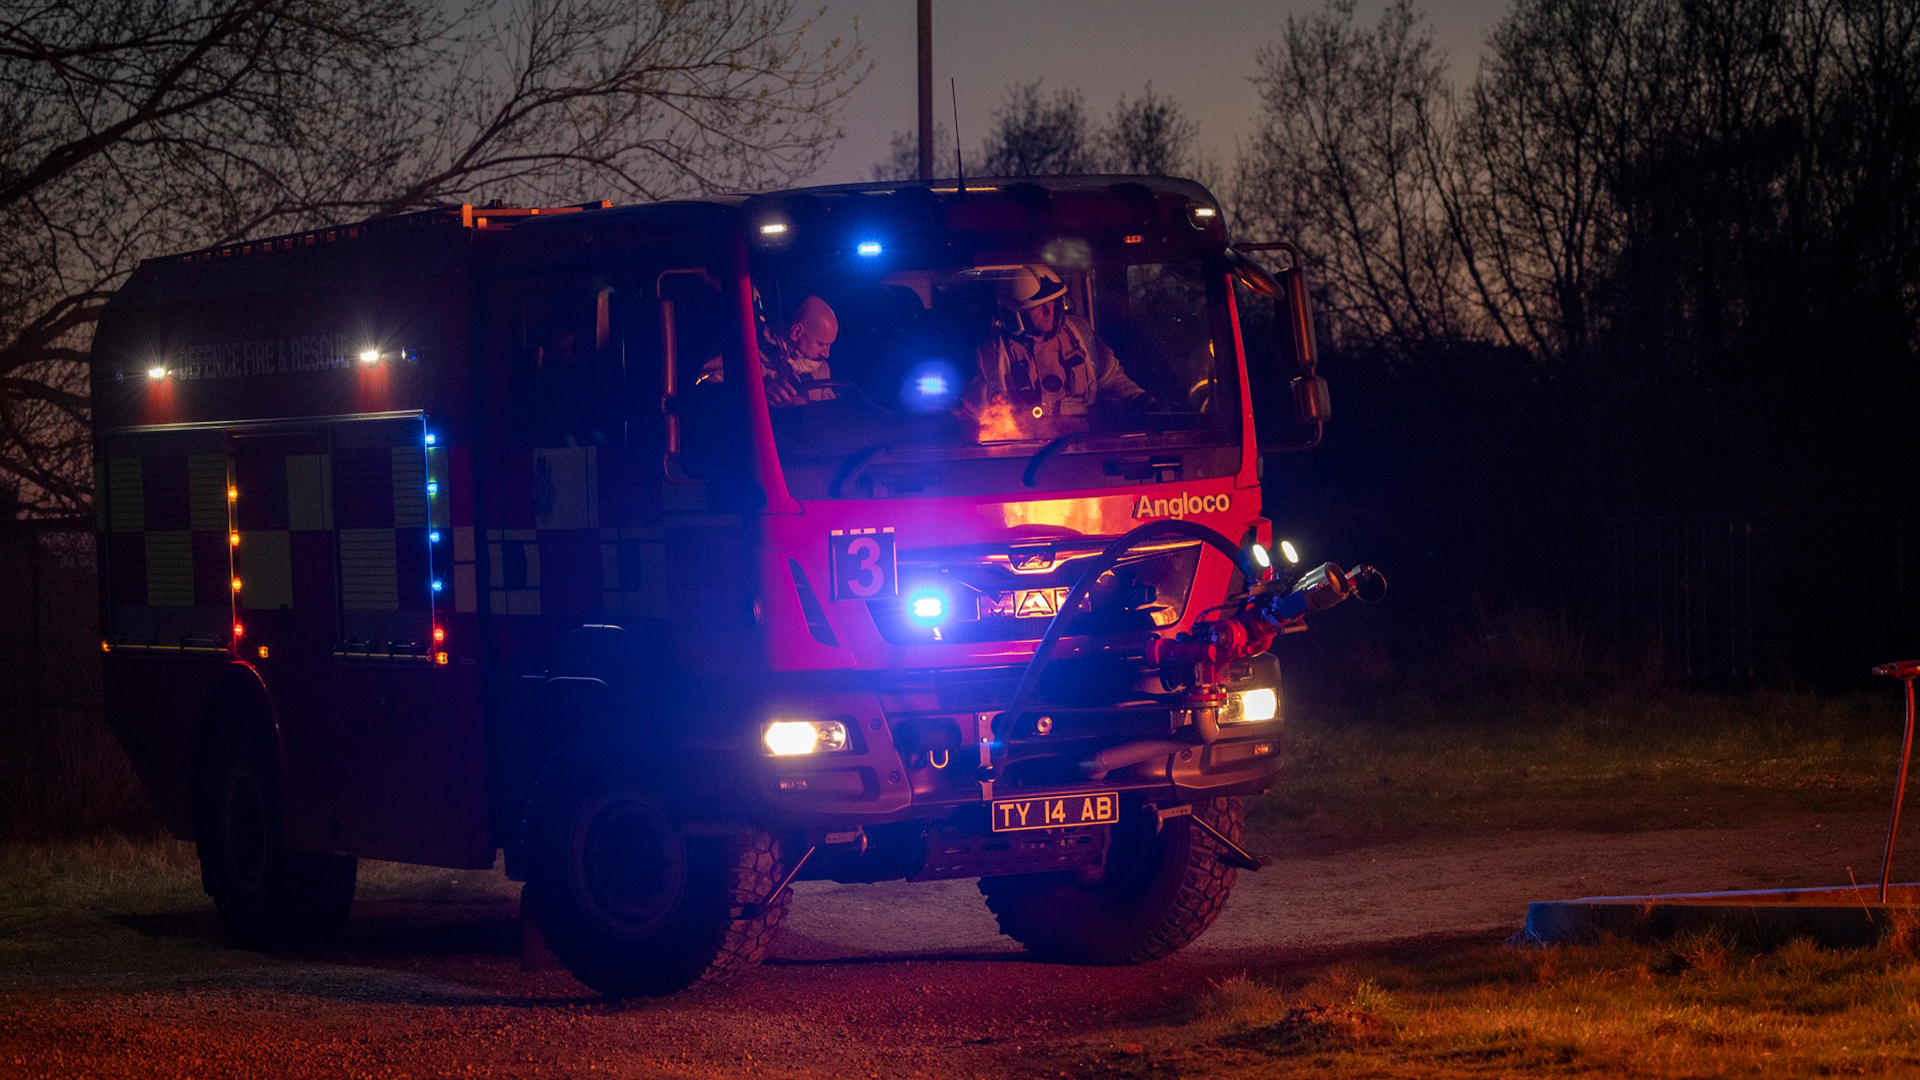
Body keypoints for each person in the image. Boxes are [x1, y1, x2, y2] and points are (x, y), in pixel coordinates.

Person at [966, 265, 1152, 427]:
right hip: (1027, 456)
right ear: (1013, 313)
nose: (1050, 311)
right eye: (1038, 306)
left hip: (1086, 449)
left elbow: (1113, 378)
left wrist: (1143, 401)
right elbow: (978, 414)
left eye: (1053, 302)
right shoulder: (991, 352)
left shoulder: (1080, 333)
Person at [697, 294, 838, 406]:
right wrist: (758, 393)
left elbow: (831, 420)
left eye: (829, 345)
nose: (827, 354)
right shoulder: (744, 353)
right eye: (821, 344)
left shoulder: (821, 371)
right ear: (796, 332)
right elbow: (704, 395)